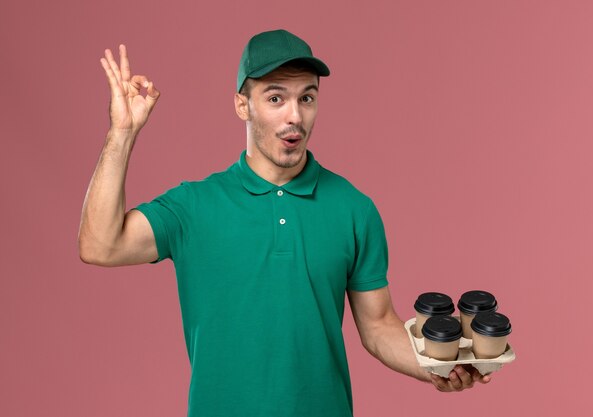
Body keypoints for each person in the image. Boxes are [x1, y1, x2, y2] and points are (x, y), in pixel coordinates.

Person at [79, 29, 491, 417]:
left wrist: (434, 367)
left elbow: (379, 325)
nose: (295, 116)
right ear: (243, 104)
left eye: (307, 98)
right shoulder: (193, 206)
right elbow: (100, 245)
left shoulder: (354, 209)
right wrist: (122, 132)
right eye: (276, 99)